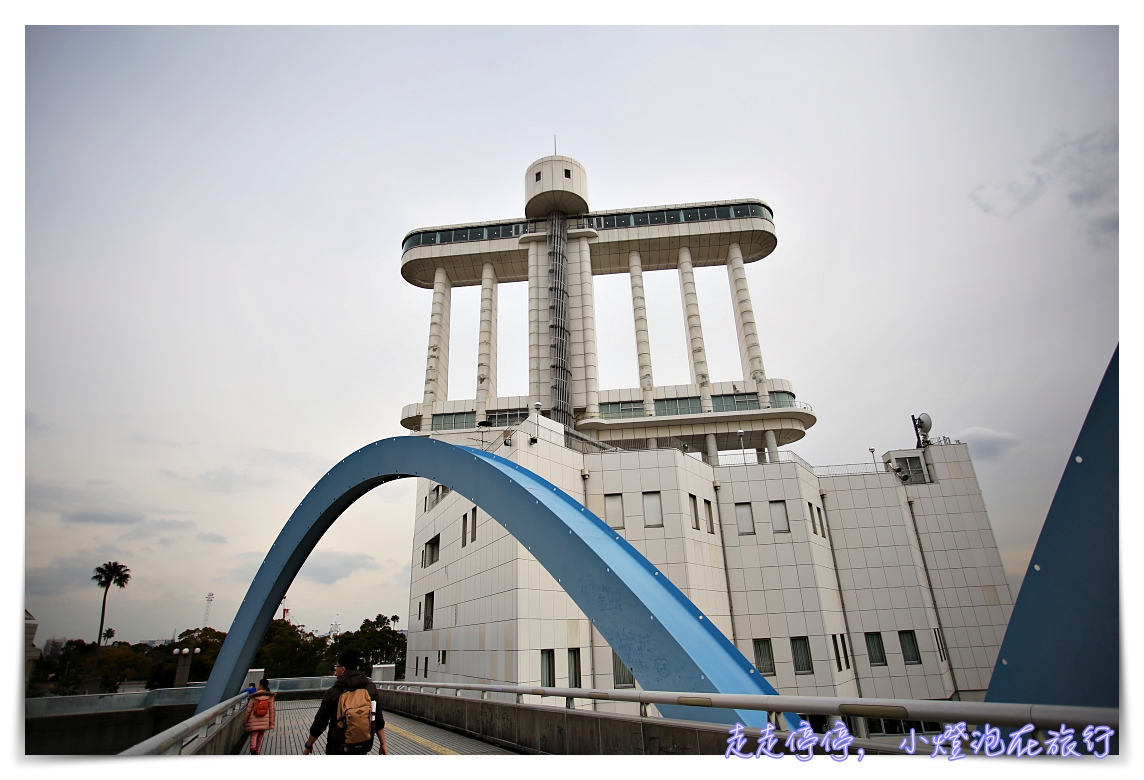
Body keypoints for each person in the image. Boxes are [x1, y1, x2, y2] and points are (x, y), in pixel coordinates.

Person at [303, 650, 388, 755]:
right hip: (363, 746)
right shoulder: (370, 689)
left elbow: (320, 724)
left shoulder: (333, 693)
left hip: (338, 748)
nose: (335, 669)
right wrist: (383, 744)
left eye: (337, 666)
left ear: (343, 669)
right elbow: (378, 719)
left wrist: (309, 745)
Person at [242, 679, 276, 755]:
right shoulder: (270, 697)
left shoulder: (254, 696)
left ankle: (253, 749)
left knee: (254, 734)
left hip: (254, 720)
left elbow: (248, 710)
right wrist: (271, 722)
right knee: (260, 736)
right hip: (265, 720)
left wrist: (245, 720)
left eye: (258, 685)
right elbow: (271, 710)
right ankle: (257, 751)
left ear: (260, 686)